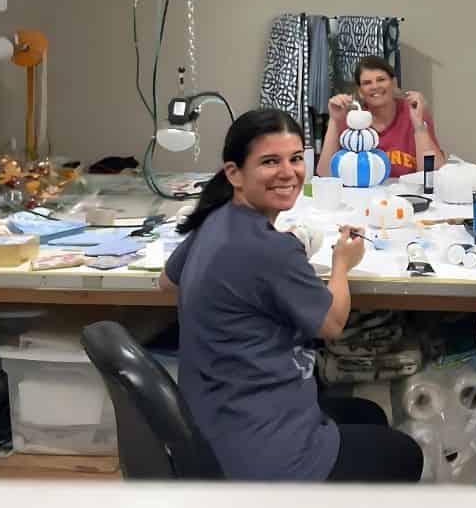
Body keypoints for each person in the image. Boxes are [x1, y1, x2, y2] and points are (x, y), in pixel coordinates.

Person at [160, 108, 422, 482]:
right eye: (270, 161)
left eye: (296, 158)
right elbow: (332, 323)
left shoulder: (215, 220)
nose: (288, 172)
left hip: (216, 423)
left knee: (368, 415)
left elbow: (167, 282)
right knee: (404, 453)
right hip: (263, 454)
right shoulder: (269, 250)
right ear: (234, 173)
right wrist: (342, 265)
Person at [316, 56, 445, 178]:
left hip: (406, 197)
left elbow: (434, 173)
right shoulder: (352, 119)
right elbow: (325, 174)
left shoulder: (413, 112)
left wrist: (418, 124)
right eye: (367, 83)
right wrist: (334, 120)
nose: (375, 87)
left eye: (381, 80)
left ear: (394, 83)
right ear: (360, 92)